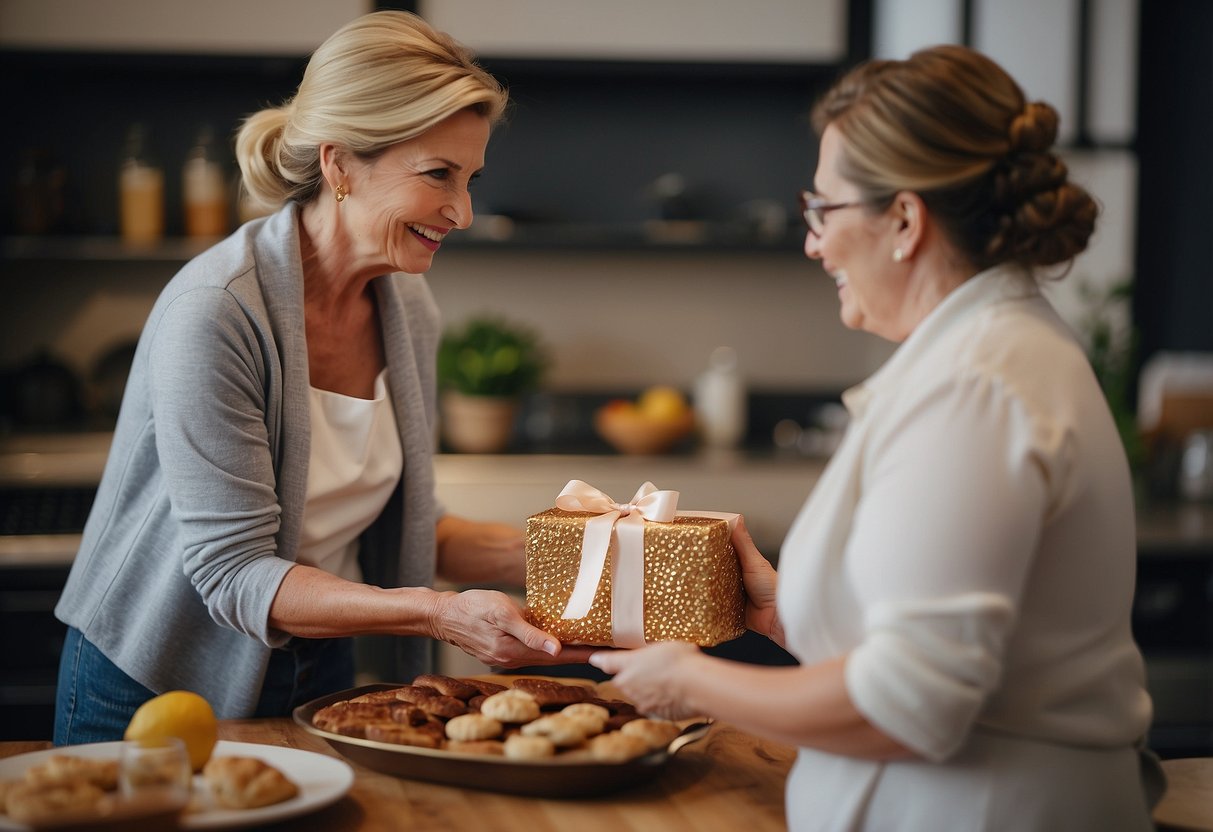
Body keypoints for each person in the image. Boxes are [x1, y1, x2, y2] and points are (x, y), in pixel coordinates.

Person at [591, 45, 1160, 831]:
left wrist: (690, 683)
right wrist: (779, 612)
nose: (811, 242)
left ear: (902, 219)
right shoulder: (991, 354)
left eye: (823, 210)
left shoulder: (974, 386)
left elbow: (908, 708)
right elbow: (934, 635)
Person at [54, 10, 592, 744]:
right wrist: (440, 614)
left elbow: (407, 525)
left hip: (321, 671)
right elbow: (236, 574)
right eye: (437, 174)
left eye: (469, 178)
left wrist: (587, 552)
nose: (462, 212)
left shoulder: (406, 304)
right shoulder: (216, 312)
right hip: (158, 683)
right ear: (339, 165)